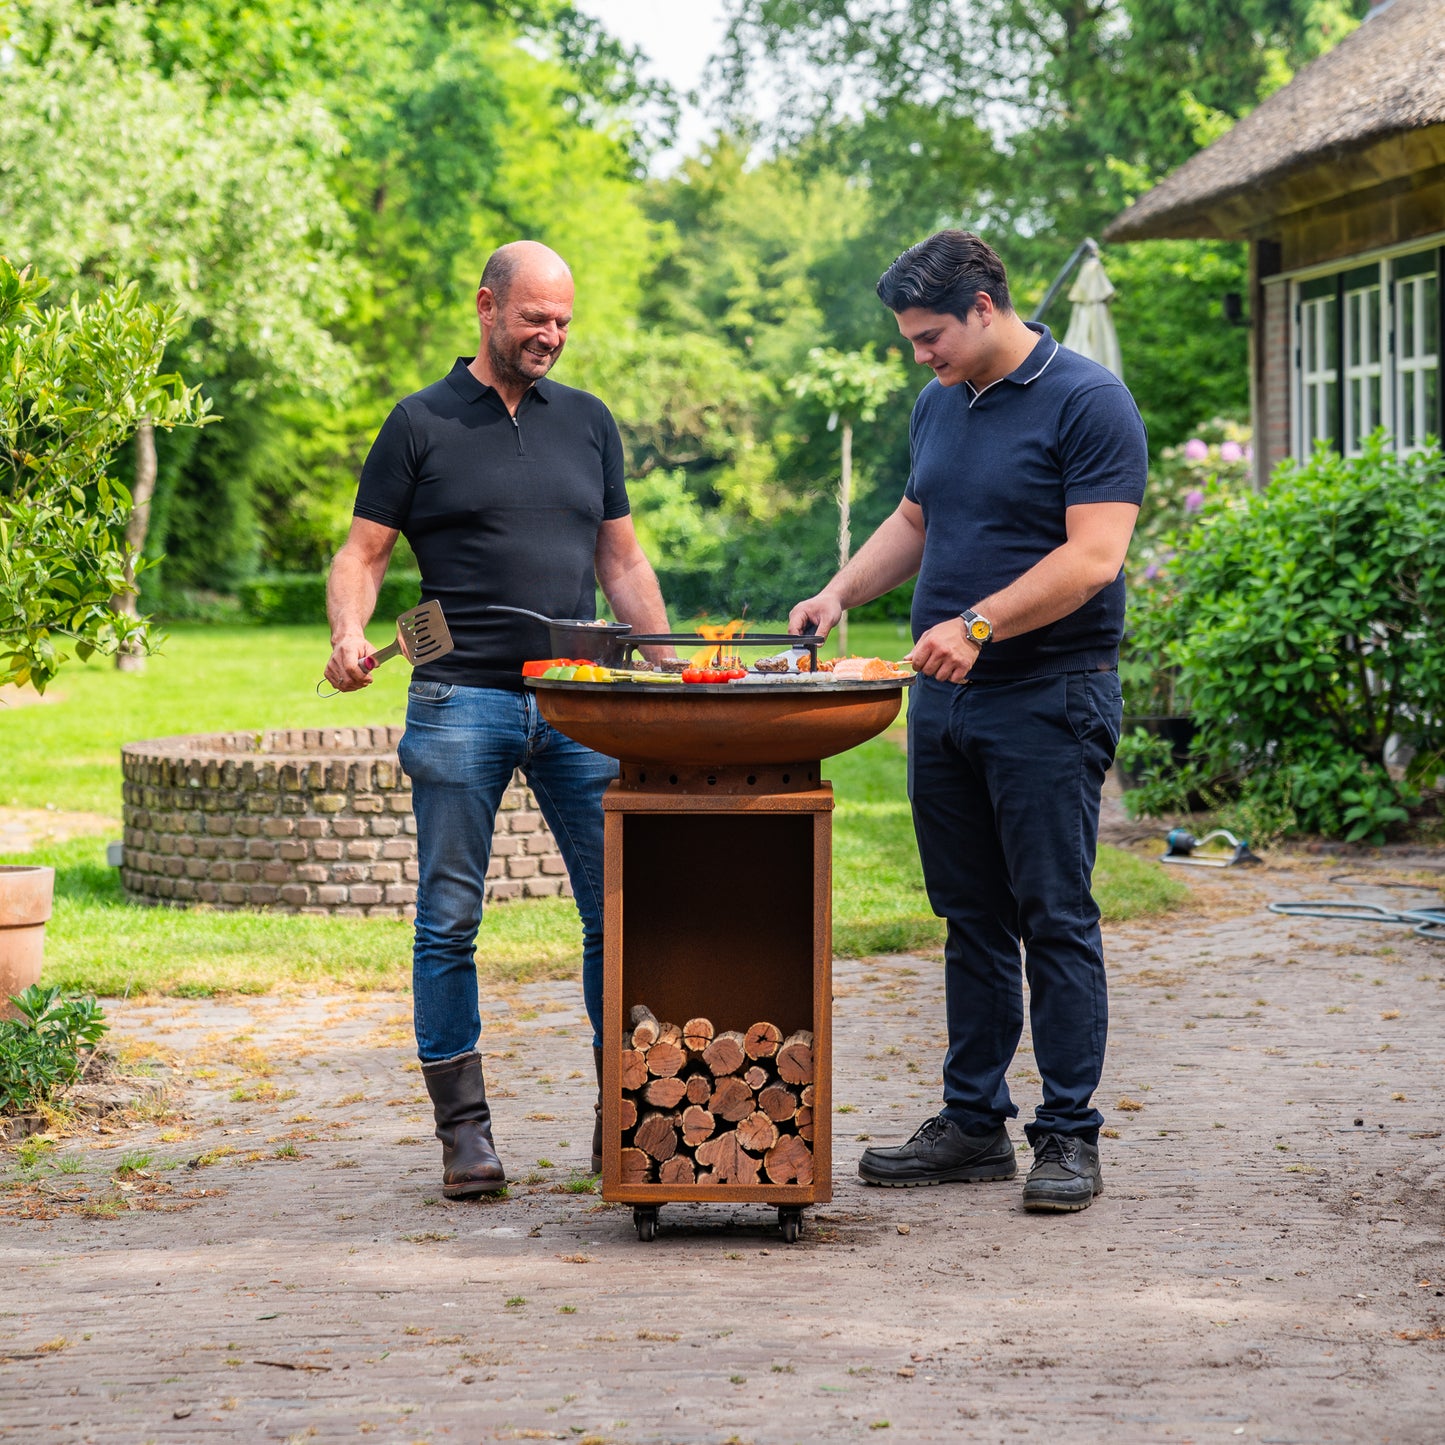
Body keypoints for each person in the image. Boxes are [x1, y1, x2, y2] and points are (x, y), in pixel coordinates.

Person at [790, 230, 1146, 1212]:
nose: (919, 355)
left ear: (983, 306)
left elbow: (1094, 557)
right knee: (969, 916)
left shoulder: (1088, 401)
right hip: (944, 697)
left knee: (1052, 913)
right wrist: (839, 592)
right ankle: (972, 1122)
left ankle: (1067, 1132)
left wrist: (979, 623)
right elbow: (916, 518)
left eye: (929, 336)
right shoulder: (940, 401)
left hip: (1048, 693)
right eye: (910, 339)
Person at [324, 241, 671, 1199]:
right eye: (534, 318)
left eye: (562, 321)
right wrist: (348, 630)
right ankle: (464, 1136)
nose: (550, 335)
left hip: (579, 699)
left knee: (620, 910)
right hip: (458, 698)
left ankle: (623, 1113)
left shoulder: (589, 423)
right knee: (449, 918)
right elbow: (362, 554)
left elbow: (622, 562)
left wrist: (669, 664)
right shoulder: (419, 422)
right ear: (487, 307)